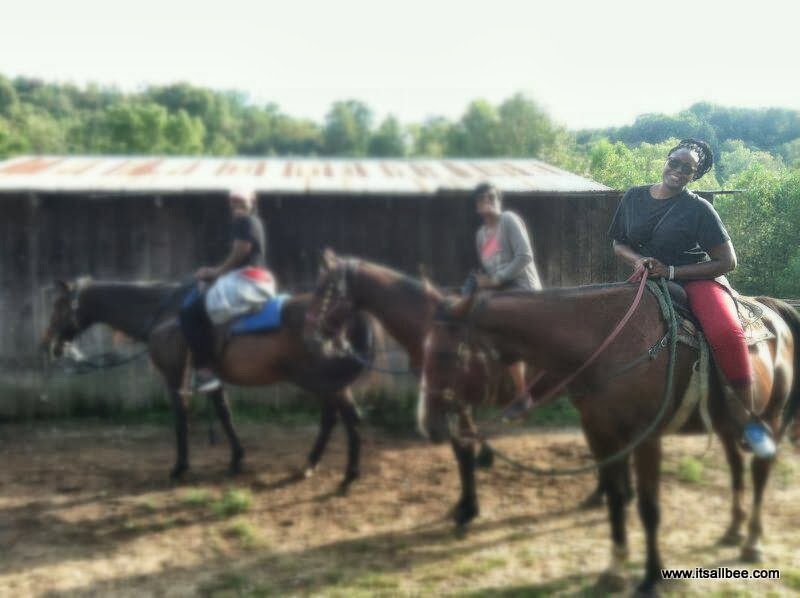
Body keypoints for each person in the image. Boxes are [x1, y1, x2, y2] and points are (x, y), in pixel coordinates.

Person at [608, 138, 775, 458]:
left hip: (696, 277)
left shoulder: (699, 209)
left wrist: (671, 271)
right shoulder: (633, 197)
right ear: (666, 160)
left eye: (688, 169)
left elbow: (729, 261)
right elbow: (618, 244)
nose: (679, 171)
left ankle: (751, 419)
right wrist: (638, 260)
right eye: (675, 163)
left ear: (694, 176)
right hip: (645, 274)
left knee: (726, 332)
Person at [179, 188, 267, 392]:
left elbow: (240, 253)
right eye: (234, 204)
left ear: (252, 203)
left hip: (247, 281)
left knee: (189, 313)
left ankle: (204, 372)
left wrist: (215, 272)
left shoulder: (243, 222)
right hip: (254, 279)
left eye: (241, 204)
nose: (237, 208)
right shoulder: (254, 222)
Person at [470, 182, 542, 418]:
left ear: (499, 200)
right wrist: (485, 281)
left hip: (523, 291)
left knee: (502, 337)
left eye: (492, 197)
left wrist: (496, 279)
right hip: (501, 293)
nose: (488, 202)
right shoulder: (482, 235)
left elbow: (524, 256)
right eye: (483, 199)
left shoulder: (508, 220)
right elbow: (490, 267)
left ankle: (523, 397)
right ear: (477, 205)